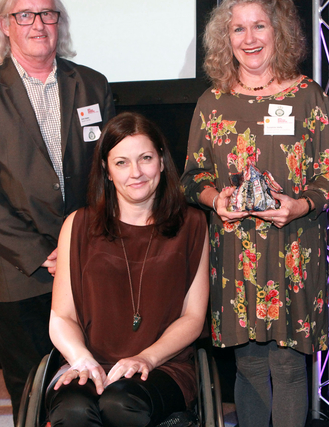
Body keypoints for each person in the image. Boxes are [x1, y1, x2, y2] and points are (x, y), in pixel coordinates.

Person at [0, 0, 114, 422]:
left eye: (47, 13)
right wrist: (40, 253)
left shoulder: (93, 86)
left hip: (86, 262)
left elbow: (109, 172)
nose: (38, 24)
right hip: (18, 269)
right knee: (32, 387)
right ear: (5, 24)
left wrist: (86, 243)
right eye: (25, 14)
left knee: (87, 381)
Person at [181, 0, 329, 427]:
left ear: (280, 32)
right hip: (236, 254)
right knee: (249, 366)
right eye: (238, 29)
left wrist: (299, 205)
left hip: (293, 249)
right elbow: (191, 180)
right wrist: (219, 198)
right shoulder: (212, 102)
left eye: (259, 26)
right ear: (223, 38)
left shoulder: (307, 95)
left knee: (289, 367)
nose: (249, 39)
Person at [46, 112, 209, 427]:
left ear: (161, 161)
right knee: (73, 411)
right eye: (121, 162)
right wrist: (81, 360)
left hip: (163, 366)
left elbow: (193, 318)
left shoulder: (192, 224)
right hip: (88, 361)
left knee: (120, 403)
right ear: (106, 170)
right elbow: (61, 317)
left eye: (145, 158)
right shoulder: (77, 225)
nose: (136, 172)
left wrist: (146, 357)